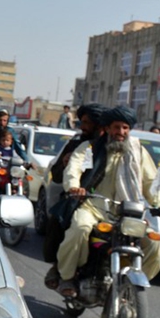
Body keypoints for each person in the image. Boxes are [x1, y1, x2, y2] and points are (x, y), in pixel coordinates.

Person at [55, 106, 160, 297]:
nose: (121, 133)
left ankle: (130, 287)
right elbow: (75, 169)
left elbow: (151, 181)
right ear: (108, 128)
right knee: (80, 229)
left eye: (125, 128)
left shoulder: (138, 152)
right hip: (94, 207)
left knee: (153, 242)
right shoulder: (91, 149)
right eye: (117, 127)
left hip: (128, 211)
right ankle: (67, 277)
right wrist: (74, 186)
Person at [42, 103, 106, 289]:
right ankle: (58, 266)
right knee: (61, 218)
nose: (82, 126)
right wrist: (65, 164)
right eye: (81, 122)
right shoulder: (80, 145)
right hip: (79, 195)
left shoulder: (113, 146)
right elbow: (67, 173)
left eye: (86, 122)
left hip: (107, 200)